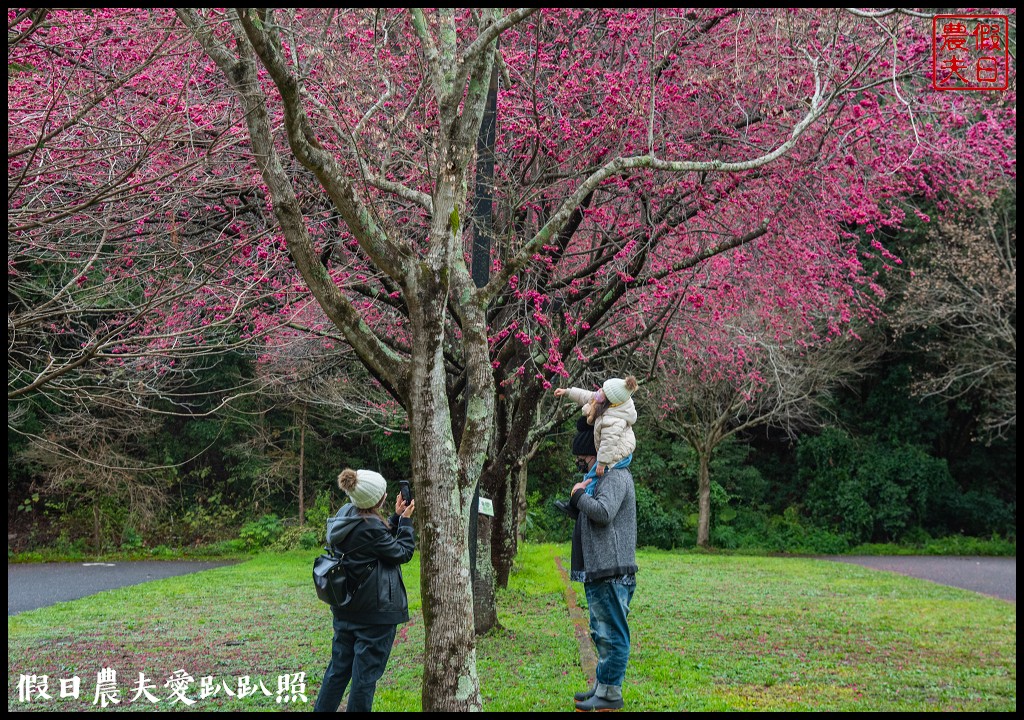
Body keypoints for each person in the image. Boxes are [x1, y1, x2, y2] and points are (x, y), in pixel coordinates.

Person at [313, 468, 416, 713]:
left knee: (337, 672)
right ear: (376, 500)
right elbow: (402, 552)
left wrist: (394, 518)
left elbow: (375, 540)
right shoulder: (370, 527)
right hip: (374, 615)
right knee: (364, 679)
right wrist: (406, 521)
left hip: (347, 611)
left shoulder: (346, 516)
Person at [566, 419, 638, 712]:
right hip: (601, 569)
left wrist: (580, 495)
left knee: (612, 636)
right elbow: (591, 513)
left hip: (612, 571)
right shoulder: (602, 477)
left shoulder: (616, 476)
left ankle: (610, 694)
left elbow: (604, 512)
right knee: (601, 633)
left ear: (596, 453)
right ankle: (602, 686)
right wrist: (576, 500)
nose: (581, 463)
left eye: (583, 458)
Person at [552, 375, 639, 514]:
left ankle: (578, 503)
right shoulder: (606, 401)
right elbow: (586, 396)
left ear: (612, 402)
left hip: (618, 454)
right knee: (590, 476)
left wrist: (602, 463)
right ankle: (581, 501)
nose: (599, 393)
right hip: (610, 450)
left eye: (603, 392)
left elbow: (608, 442)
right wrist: (567, 392)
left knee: (593, 477)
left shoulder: (614, 420)